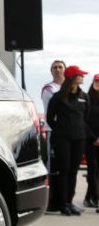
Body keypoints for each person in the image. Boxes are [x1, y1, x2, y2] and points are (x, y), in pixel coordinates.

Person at [45, 65, 90, 215]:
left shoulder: (84, 97)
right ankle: (62, 203)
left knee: (73, 171)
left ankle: (70, 202)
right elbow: (50, 118)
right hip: (62, 139)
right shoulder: (58, 97)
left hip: (79, 139)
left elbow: (86, 118)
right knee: (64, 171)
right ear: (72, 77)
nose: (83, 77)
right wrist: (60, 130)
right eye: (80, 74)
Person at [41, 60, 66, 175]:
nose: (57, 69)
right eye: (54, 68)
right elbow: (61, 106)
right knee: (53, 165)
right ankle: (51, 190)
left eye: (60, 67)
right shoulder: (48, 88)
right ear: (51, 71)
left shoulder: (72, 88)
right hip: (54, 130)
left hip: (71, 130)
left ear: (65, 69)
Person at [85, 76, 99, 209]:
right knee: (92, 170)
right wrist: (94, 138)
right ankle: (94, 197)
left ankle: (90, 197)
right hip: (90, 141)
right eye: (97, 82)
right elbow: (83, 121)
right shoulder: (87, 99)